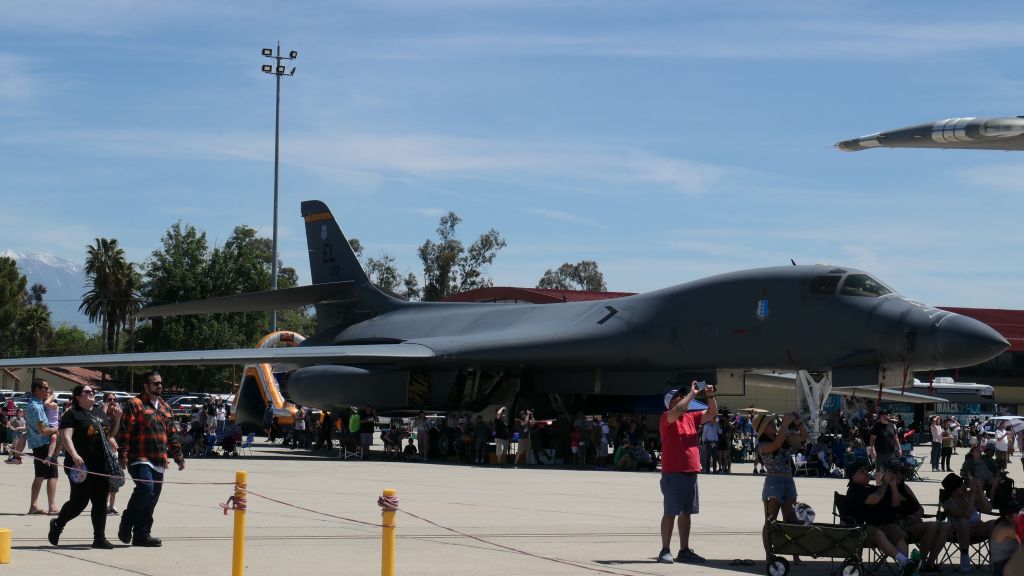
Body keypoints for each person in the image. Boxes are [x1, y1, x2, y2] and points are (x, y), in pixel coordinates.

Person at [117, 371, 185, 547]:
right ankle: (127, 520)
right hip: (139, 457)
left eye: (161, 383)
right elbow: (124, 431)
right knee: (146, 489)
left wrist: (178, 456)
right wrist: (122, 454)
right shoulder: (135, 404)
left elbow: (173, 434)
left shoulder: (165, 407)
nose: (159, 386)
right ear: (146, 386)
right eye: (155, 383)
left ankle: (141, 534)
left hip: (159, 459)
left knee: (152, 498)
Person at [48, 385, 119, 549]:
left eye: (93, 392)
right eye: (87, 392)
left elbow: (109, 436)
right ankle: (58, 524)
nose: (91, 394)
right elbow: (66, 437)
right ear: (78, 397)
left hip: (101, 465)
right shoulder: (72, 414)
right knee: (79, 502)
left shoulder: (99, 413)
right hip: (80, 466)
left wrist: (118, 420)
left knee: (101, 501)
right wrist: (74, 454)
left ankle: (99, 538)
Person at [656, 381, 717, 565]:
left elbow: (712, 413)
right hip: (673, 473)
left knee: (686, 513)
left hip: (691, 472)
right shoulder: (667, 417)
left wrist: (710, 396)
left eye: (684, 396)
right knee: (670, 512)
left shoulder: (691, 418)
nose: (684, 398)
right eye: (680, 397)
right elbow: (678, 411)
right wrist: (692, 394)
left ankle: (684, 550)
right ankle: (665, 550)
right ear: (672, 402)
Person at [844, 461, 921, 576]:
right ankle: (905, 562)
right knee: (878, 533)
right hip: (859, 529)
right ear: (854, 477)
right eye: (862, 471)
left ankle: (905, 569)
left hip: (881, 525)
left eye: (866, 470)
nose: (866, 473)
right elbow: (874, 499)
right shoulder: (854, 490)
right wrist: (884, 484)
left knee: (897, 532)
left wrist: (893, 484)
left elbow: (895, 504)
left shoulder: (870, 487)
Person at [753, 412, 807, 567]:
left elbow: (804, 436)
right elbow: (776, 445)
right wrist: (785, 425)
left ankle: (796, 556)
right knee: (771, 521)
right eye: (770, 423)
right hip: (773, 483)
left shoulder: (784, 437)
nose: (774, 424)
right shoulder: (762, 445)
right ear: (764, 429)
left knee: (792, 521)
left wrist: (798, 423)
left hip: (788, 481)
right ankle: (769, 555)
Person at [890, 463, 950, 572]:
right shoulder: (887, 490)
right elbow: (893, 508)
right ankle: (920, 564)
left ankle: (929, 563)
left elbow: (920, 508)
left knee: (946, 526)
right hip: (901, 526)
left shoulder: (905, 487)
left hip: (917, 522)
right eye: (895, 473)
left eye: (901, 473)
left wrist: (916, 515)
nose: (899, 475)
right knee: (931, 526)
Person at [941, 472, 996, 572]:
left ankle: (994, 558)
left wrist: (979, 492)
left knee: (994, 523)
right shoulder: (948, 503)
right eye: (960, 486)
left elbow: (988, 509)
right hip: (959, 534)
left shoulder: (969, 495)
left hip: (978, 530)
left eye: (963, 484)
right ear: (953, 491)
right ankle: (965, 557)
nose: (963, 487)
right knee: (963, 522)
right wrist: (972, 497)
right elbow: (965, 516)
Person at [25, 379, 60, 515]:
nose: (47, 390)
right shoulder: (35, 406)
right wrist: (56, 430)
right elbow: (43, 430)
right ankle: (52, 506)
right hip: (43, 444)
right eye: (45, 388)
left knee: (39, 475)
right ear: (37, 389)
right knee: (52, 475)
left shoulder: (37, 404)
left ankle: (33, 505)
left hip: (39, 444)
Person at [101, 393, 123, 516]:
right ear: (104, 401)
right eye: (109, 399)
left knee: (114, 479)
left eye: (115, 399)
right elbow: (100, 430)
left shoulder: (116, 415)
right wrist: (109, 438)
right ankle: (102, 506)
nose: (112, 402)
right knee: (104, 481)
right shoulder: (99, 413)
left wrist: (118, 418)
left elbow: (114, 433)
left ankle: (111, 506)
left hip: (113, 450)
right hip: (102, 450)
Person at [990, 501, 1022, 576]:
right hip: (1002, 569)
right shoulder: (1004, 529)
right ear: (1007, 516)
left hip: (1009, 565)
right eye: (1017, 513)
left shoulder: (1010, 525)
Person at [870, 409, 901, 477]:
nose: (887, 416)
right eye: (886, 414)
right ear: (881, 416)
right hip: (880, 454)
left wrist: (899, 448)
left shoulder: (892, 425)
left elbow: (896, 438)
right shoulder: (876, 426)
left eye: (888, 414)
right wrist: (872, 450)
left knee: (890, 473)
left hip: (891, 453)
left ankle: (888, 487)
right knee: (879, 473)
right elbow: (872, 440)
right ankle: (879, 487)